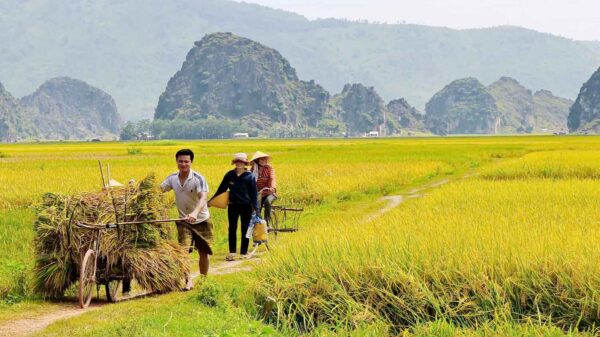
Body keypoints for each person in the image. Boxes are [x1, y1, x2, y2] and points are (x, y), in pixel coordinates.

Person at [160, 149, 213, 290]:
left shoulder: (198, 178)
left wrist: (195, 213)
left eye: (186, 161)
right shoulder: (172, 178)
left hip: (201, 219)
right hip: (184, 220)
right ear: (176, 161)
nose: (183, 164)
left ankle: (203, 279)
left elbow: (203, 198)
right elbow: (159, 190)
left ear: (191, 162)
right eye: (180, 161)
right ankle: (188, 280)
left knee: (204, 252)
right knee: (183, 251)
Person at [213, 153, 258, 261]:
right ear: (235, 163)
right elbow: (221, 189)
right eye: (237, 161)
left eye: (241, 162)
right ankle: (232, 252)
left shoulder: (250, 176)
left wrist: (256, 208)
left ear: (245, 163)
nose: (239, 164)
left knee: (245, 229)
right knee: (232, 228)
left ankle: (243, 252)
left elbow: (253, 193)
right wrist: (211, 201)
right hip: (233, 205)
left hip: (246, 206)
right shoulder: (229, 175)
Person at [250, 151, 277, 226]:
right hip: (258, 194)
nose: (263, 161)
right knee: (255, 208)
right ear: (257, 160)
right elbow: (249, 181)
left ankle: (267, 222)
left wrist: (273, 188)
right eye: (261, 159)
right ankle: (258, 224)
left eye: (265, 159)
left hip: (269, 193)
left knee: (267, 201)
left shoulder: (269, 168)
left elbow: (272, 178)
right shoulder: (253, 170)